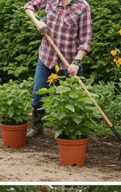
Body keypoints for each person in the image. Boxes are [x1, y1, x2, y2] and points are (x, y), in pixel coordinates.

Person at [22, 0, 92, 137]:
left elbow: (85, 40)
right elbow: (29, 6)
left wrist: (76, 62)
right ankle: (37, 127)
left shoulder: (83, 6)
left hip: (69, 63)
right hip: (47, 57)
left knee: (70, 101)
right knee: (38, 95)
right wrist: (38, 22)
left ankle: (68, 133)